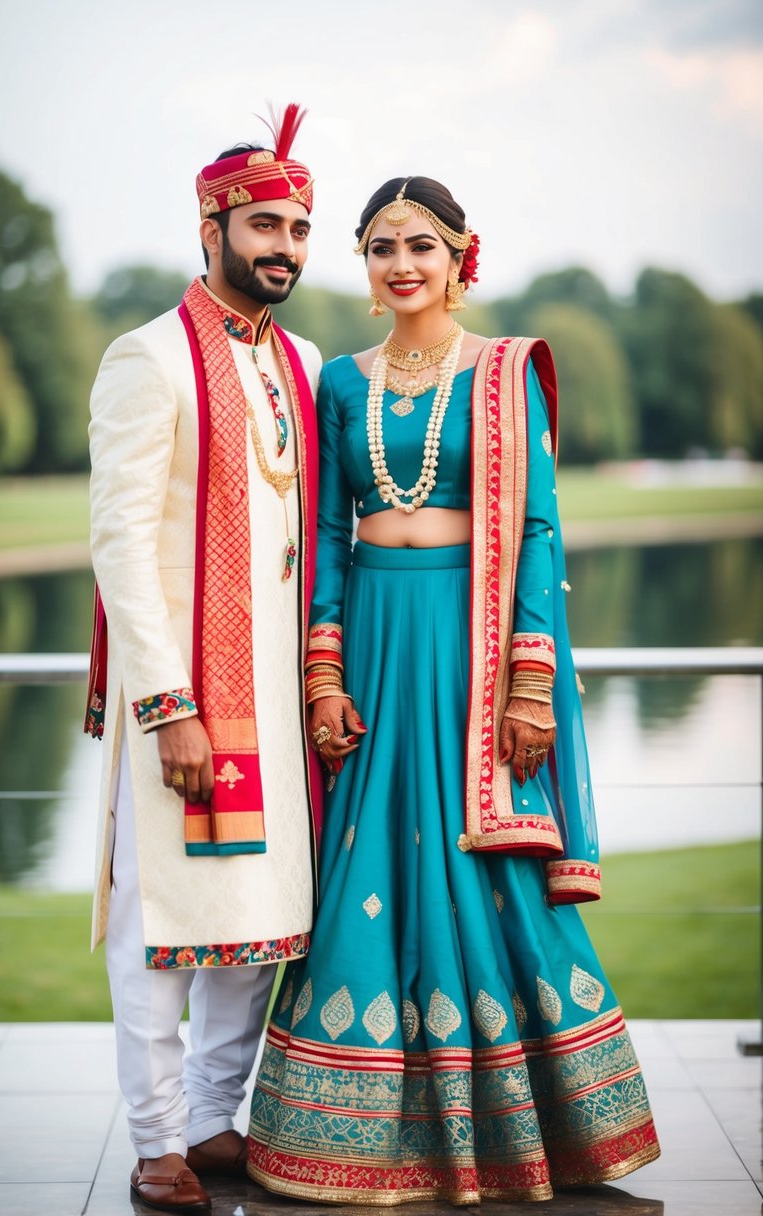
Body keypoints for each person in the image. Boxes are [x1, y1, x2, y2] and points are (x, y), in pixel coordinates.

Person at [247, 177, 660, 1205]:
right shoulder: (339, 382)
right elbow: (333, 535)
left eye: (421, 246)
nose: (401, 264)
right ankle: (353, 1142)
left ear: (460, 257)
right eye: (381, 246)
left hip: (471, 648)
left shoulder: (503, 372)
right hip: (377, 637)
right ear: (365, 263)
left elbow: (536, 527)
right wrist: (323, 674)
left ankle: (533, 1132)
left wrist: (530, 682)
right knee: (366, 861)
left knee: (487, 868)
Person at [84, 105, 323, 1214]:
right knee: (160, 928)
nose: (285, 246)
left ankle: (217, 1122)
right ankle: (154, 1140)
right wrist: (167, 705)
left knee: (252, 924)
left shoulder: (304, 363)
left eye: (300, 228)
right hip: (183, 705)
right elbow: (119, 543)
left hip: (277, 701)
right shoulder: (147, 357)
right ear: (212, 225)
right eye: (266, 223)